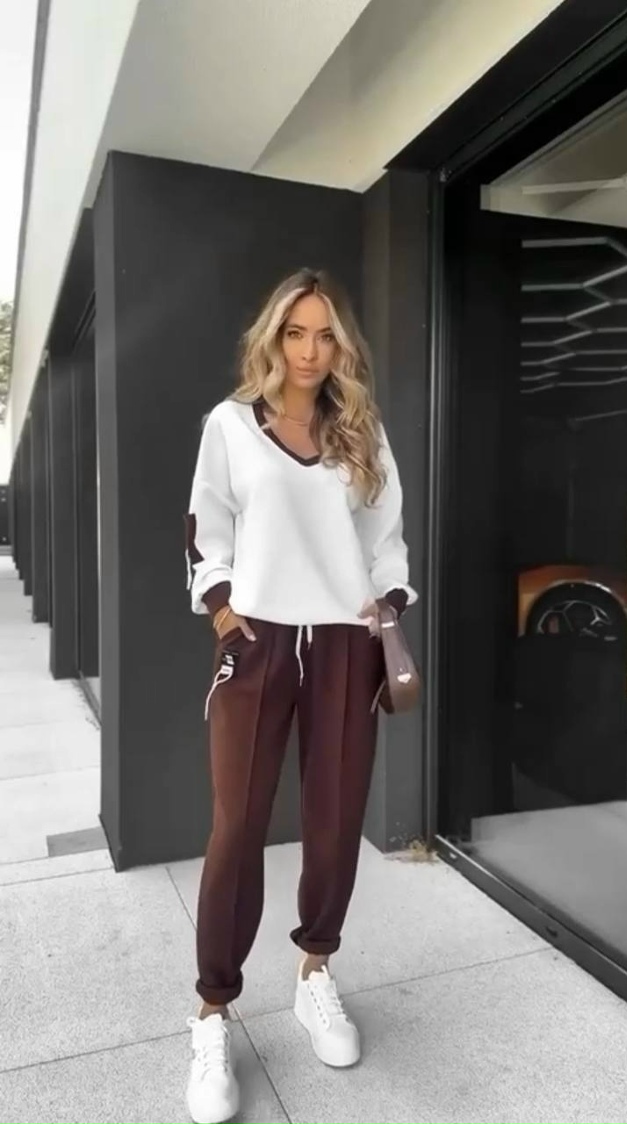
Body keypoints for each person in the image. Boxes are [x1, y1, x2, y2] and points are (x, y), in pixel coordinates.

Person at [184, 268, 417, 1124]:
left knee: (333, 819)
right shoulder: (229, 425)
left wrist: (387, 604)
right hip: (260, 644)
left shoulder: (360, 430)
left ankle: (315, 971)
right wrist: (223, 608)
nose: (311, 352)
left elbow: (386, 538)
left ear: (341, 344)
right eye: (296, 333)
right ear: (273, 336)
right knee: (237, 828)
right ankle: (212, 1013)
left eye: (326, 335)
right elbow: (207, 526)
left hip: (346, 643)